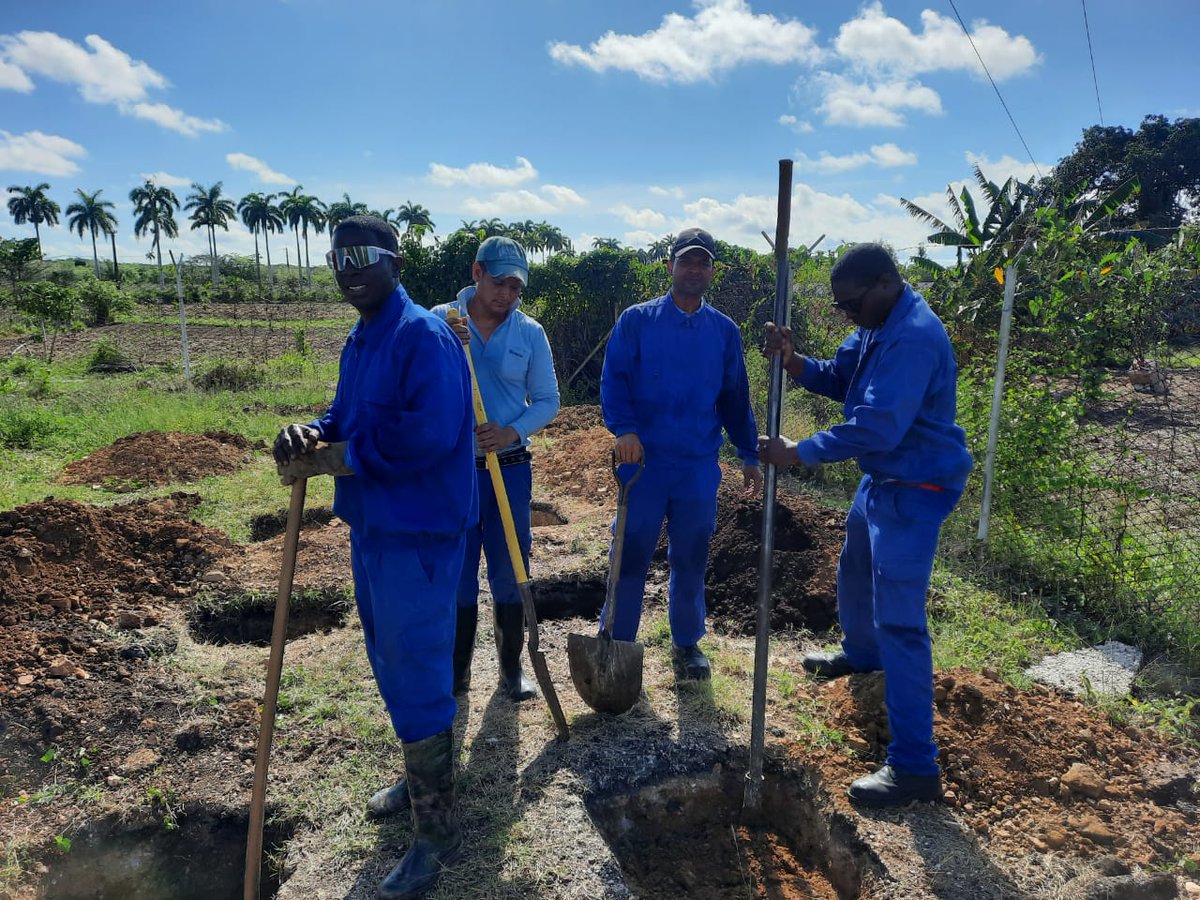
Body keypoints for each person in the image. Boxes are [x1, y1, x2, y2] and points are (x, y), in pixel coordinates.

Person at [273, 215, 476, 899]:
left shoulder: (424, 337)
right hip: (373, 529)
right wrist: (312, 431)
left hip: (418, 535)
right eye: (339, 258)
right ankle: (420, 783)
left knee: (416, 668)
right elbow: (344, 415)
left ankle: (438, 834)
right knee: (389, 662)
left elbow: (429, 435)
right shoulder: (361, 339)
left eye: (363, 255)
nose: (350, 269)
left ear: (395, 262)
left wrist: (344, 455)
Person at [758, 242, 973, 807]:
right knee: (854, 570)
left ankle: (915, 766)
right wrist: (793, 361)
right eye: (841, 307)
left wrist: (798, 452)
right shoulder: (876, 325)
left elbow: (877, 426)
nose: (847, 314)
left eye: (852, 304)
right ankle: (861, 654)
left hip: (916, 487)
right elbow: (839, 378)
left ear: (884, 283)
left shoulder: (913, 337)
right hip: (882, 479)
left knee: (900, 622)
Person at [600, 227, 762, 681]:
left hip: (696, 467)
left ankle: (688, 643)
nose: (693, 270)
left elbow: (734, 397)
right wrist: (625, 429)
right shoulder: (637, 321)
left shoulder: (723, 332)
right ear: (670, 265)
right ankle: (616, 641)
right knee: (629, 553)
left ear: (712, 271)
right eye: (686, 261)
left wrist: (749, 452)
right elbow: (614, 378)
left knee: (691, 556)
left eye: (702, 263)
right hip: (643, 465)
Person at [430, 236, 560, 702]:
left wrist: (511, 431)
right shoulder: (439, 321)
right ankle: (457, 673)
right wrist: (447, 347)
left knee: (510, 567)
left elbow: (547, 400)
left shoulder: (530, 332)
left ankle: (511, 670)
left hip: (509, 468)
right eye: (500, 282)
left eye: (516, 287)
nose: (507, 294)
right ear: (477, 273)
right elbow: (418, 386)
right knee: (458, 570)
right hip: (454, 471)